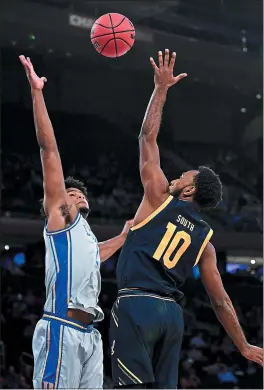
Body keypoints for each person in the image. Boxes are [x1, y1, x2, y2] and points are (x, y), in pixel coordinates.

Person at [110, 49, 263, 389]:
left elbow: (146, 138)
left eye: (184, 175)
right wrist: (243, 345)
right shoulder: (205, 239)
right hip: (172, 317)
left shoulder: (160, 198)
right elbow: (220, 299)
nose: (177, 175)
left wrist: (161, 89)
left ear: (190, 190)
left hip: (137, 304)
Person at [19, 55, 133, 389]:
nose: (77, 194)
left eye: (80, 193)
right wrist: (37, 93)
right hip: (61, 328)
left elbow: (95, 253)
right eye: (70, 192)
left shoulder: (82, 235)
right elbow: (49, 150)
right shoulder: (60, 218)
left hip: (90, 335)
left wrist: (125, 235)